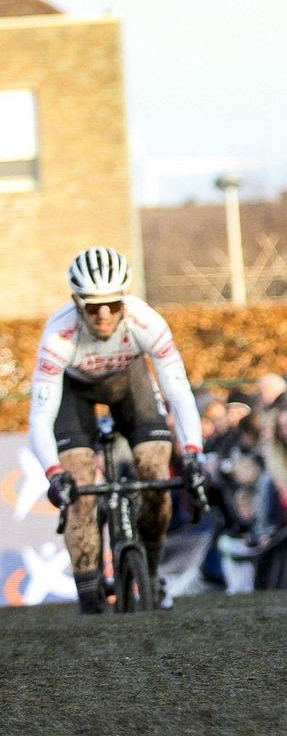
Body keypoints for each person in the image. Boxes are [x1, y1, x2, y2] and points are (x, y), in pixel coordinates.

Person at [30, 248, 205, 613]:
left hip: (129, 384)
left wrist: (192, 454)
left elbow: (179, 393)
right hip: (73, 391)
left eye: (113, 304)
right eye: (93, 307)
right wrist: (54, 474)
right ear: (76, 303)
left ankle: (152, 575)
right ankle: (89, 591)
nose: (104, 314)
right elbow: (41, 418)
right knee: (78, 486)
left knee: (156, 473)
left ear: (125, 299)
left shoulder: (147, 322)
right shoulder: (58, 334)